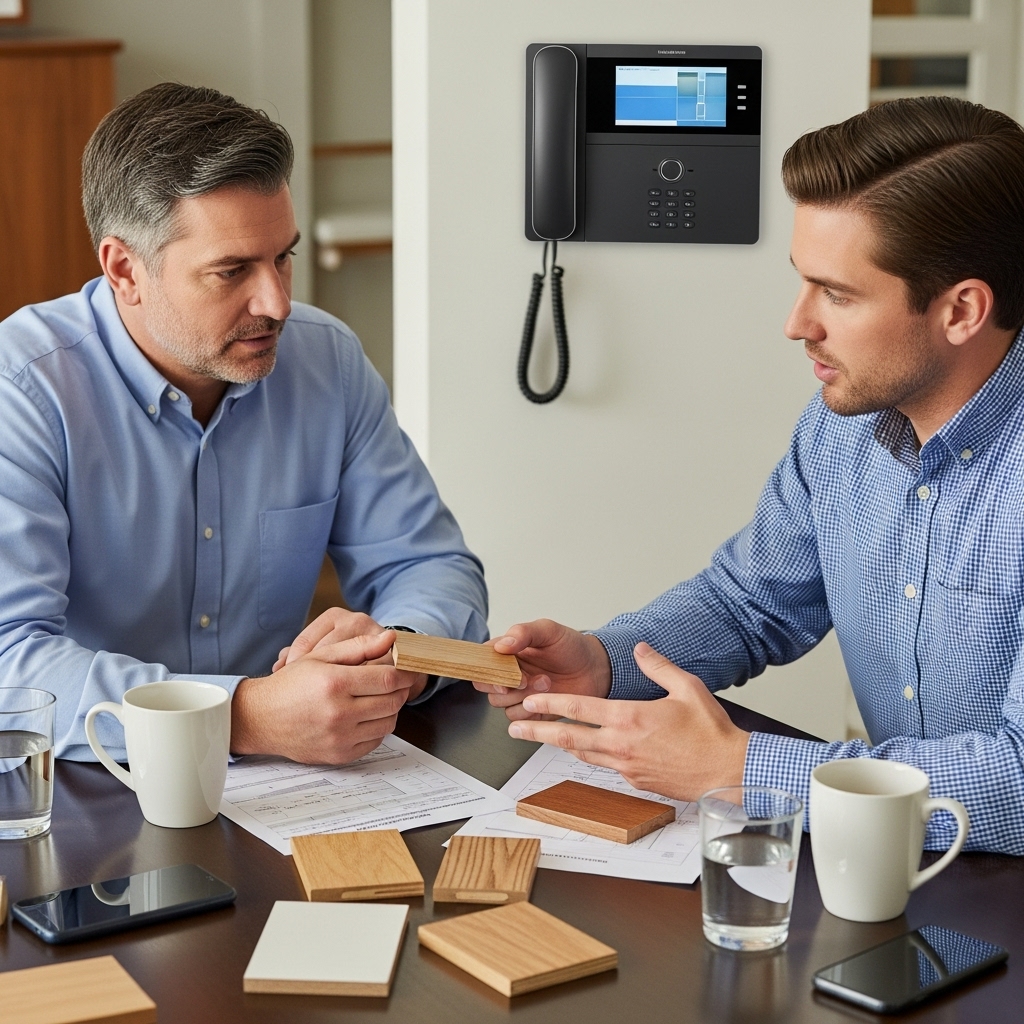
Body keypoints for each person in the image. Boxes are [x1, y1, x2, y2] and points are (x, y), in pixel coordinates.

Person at [479, 96, 1024, 855]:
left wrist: (742, 768)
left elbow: (1018, 778)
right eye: (804, 283)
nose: (797, 324)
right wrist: (603, 662)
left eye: (838, 294)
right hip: (901, 868)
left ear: (962, 310)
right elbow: (751, 602)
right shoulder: (843, 427)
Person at [0, 83, 487, 765]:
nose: (278, 303)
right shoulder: (21, 390)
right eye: (232, 271)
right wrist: (241, 715)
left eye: (283, 256)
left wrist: (393, 657)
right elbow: (10, 667)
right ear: (124, 269)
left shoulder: (327, 360)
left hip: (294, 778)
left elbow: (430, 566)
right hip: (91, 779)